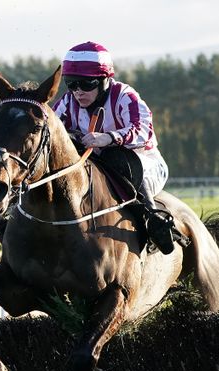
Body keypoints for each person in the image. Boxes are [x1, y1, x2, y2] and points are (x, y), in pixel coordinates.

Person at [53, 41, 177, 255]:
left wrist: (109, 137)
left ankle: (153, 223)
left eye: (86, 84)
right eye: (71, 84)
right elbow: (52, 132)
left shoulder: (125, 96)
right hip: (98, 167)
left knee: (117, 157)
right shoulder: (67, 103)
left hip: (142, 163)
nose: (78, 92)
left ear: (105, 80)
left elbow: (143, 130)